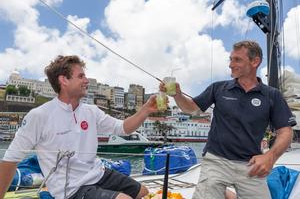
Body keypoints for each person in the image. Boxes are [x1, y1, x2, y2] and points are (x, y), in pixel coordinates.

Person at [0, 55, 159, 199]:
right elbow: (11, 160)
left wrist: (145, 110)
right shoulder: (40, 115)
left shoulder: (92, 111)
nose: (86, 80)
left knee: (143, 193)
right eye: (81, 76)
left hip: (98, 173)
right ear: (64, 80)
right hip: (70, 188)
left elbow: (124, 129)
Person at [160, 40, 296, 199]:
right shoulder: (218, 88)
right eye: (230, 59)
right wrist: (177, 94)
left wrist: (270, 157)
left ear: (255, 61)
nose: (231, 64)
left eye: (237, 59)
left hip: (251, 165)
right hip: (216, 161)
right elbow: (191, 108)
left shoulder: (272, 95)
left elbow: (285, 131)